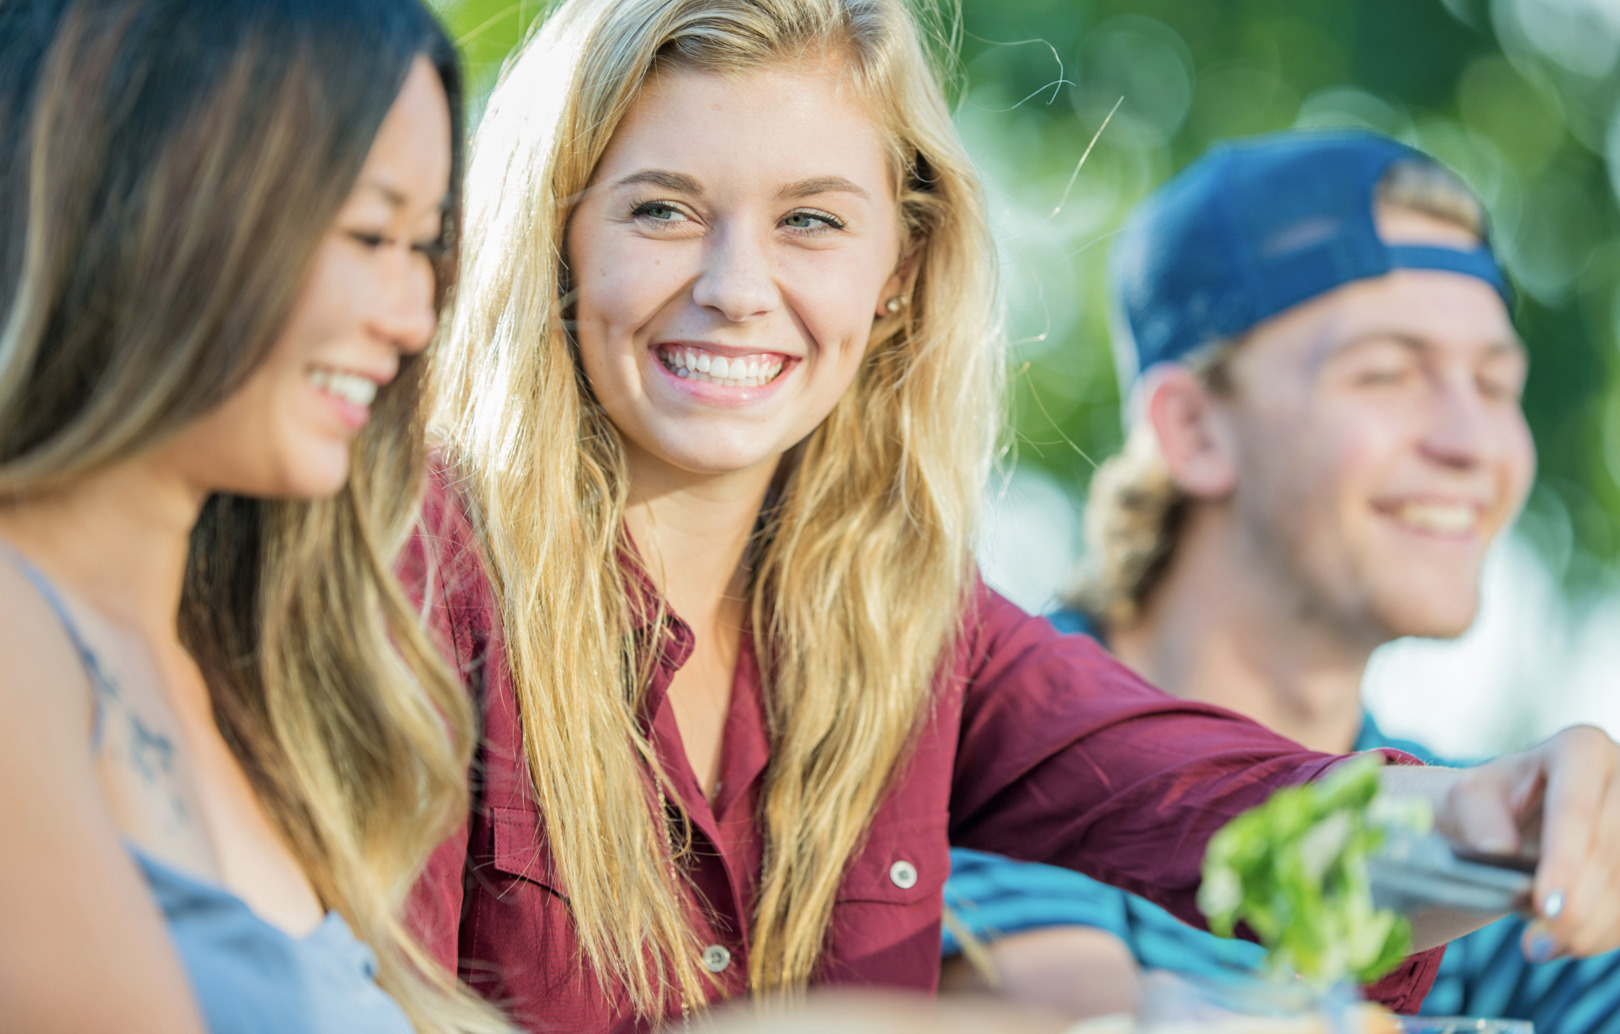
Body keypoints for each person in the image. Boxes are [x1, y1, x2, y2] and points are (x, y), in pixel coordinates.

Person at [405, 2, 1620, 1032]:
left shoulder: (916, 628)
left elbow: (1201, 798)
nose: (734, 289)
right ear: (557, 236)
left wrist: (1480, 814)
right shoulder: (419, 570)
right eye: (661, 210)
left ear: (898, 273)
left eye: (812, 221)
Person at [942, 130, 1620, 1034]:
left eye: (1498, 387)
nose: (1472, 445)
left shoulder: (1483, 846)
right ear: (1191, 430)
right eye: (1387, 373)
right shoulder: (989, 758)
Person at [0, 1, 510, 1032]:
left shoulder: (246, 666)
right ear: (143, 206)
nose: (413, 317)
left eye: (424, 245)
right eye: (369, 232)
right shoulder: (18, 633)